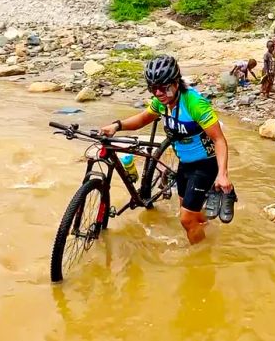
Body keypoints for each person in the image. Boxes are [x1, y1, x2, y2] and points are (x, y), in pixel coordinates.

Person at [100, 55, 233, 244]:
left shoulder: (195, 104)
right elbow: (142, 119)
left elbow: (219, 140)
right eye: (152, 88)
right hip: (185, 164)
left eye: (163, 87)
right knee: (189, 214)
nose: (158, 92)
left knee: (186, 219)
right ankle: (207, 230)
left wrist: (223, 174)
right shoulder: (161, 102)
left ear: (176, 83)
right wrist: (117, 125)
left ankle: (200, 259)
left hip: (205, 164)